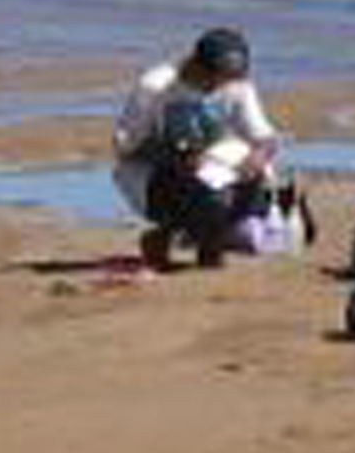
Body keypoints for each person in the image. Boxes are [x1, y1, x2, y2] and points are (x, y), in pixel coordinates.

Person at [111, 26, 285, 270]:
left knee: (257, 189)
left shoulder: (238, 86)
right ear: (197, 66)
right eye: (217, 78)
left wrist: (258, 156)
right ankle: (176, 236)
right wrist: (175, 156)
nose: (221, 85)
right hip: (152, 175)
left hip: (213, 168)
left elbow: (266, 137)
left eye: (229, 79)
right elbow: (126, 146)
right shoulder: (157, 85)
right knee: (210, 200)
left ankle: (199, 240)